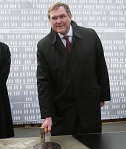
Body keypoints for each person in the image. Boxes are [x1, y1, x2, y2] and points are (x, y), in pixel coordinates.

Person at [36, 2, 111, 136]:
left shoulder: (90, 36)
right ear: (49, 20)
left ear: (70, 16)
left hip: (89, 105)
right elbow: (44, 82)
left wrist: (102, 96)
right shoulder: (44, 46)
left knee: (92, 146)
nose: (58, 21)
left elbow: (101, 67)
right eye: (54, 18)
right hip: (62, 110)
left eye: (62, 16)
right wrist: (47, 115)